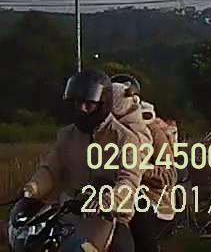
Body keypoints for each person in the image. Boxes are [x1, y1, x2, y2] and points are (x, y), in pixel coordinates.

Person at [22, 69, 150, 252]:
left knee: (124, 247)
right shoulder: (66, 135)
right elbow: (50, 169)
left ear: (103, 103)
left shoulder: (125, 138)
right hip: (70, 213)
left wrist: (107, 201)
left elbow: (129, 181)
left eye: (88, 104)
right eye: (78, 103)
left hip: (110, 217)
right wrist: (32, 188)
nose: (82, 108)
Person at [111, 75, 177, 252]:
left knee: (138, 212)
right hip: (114, 195)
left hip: (153, 201)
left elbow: (169, 176)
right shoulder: (105, 131)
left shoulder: (153, 130)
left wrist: (136, 168)